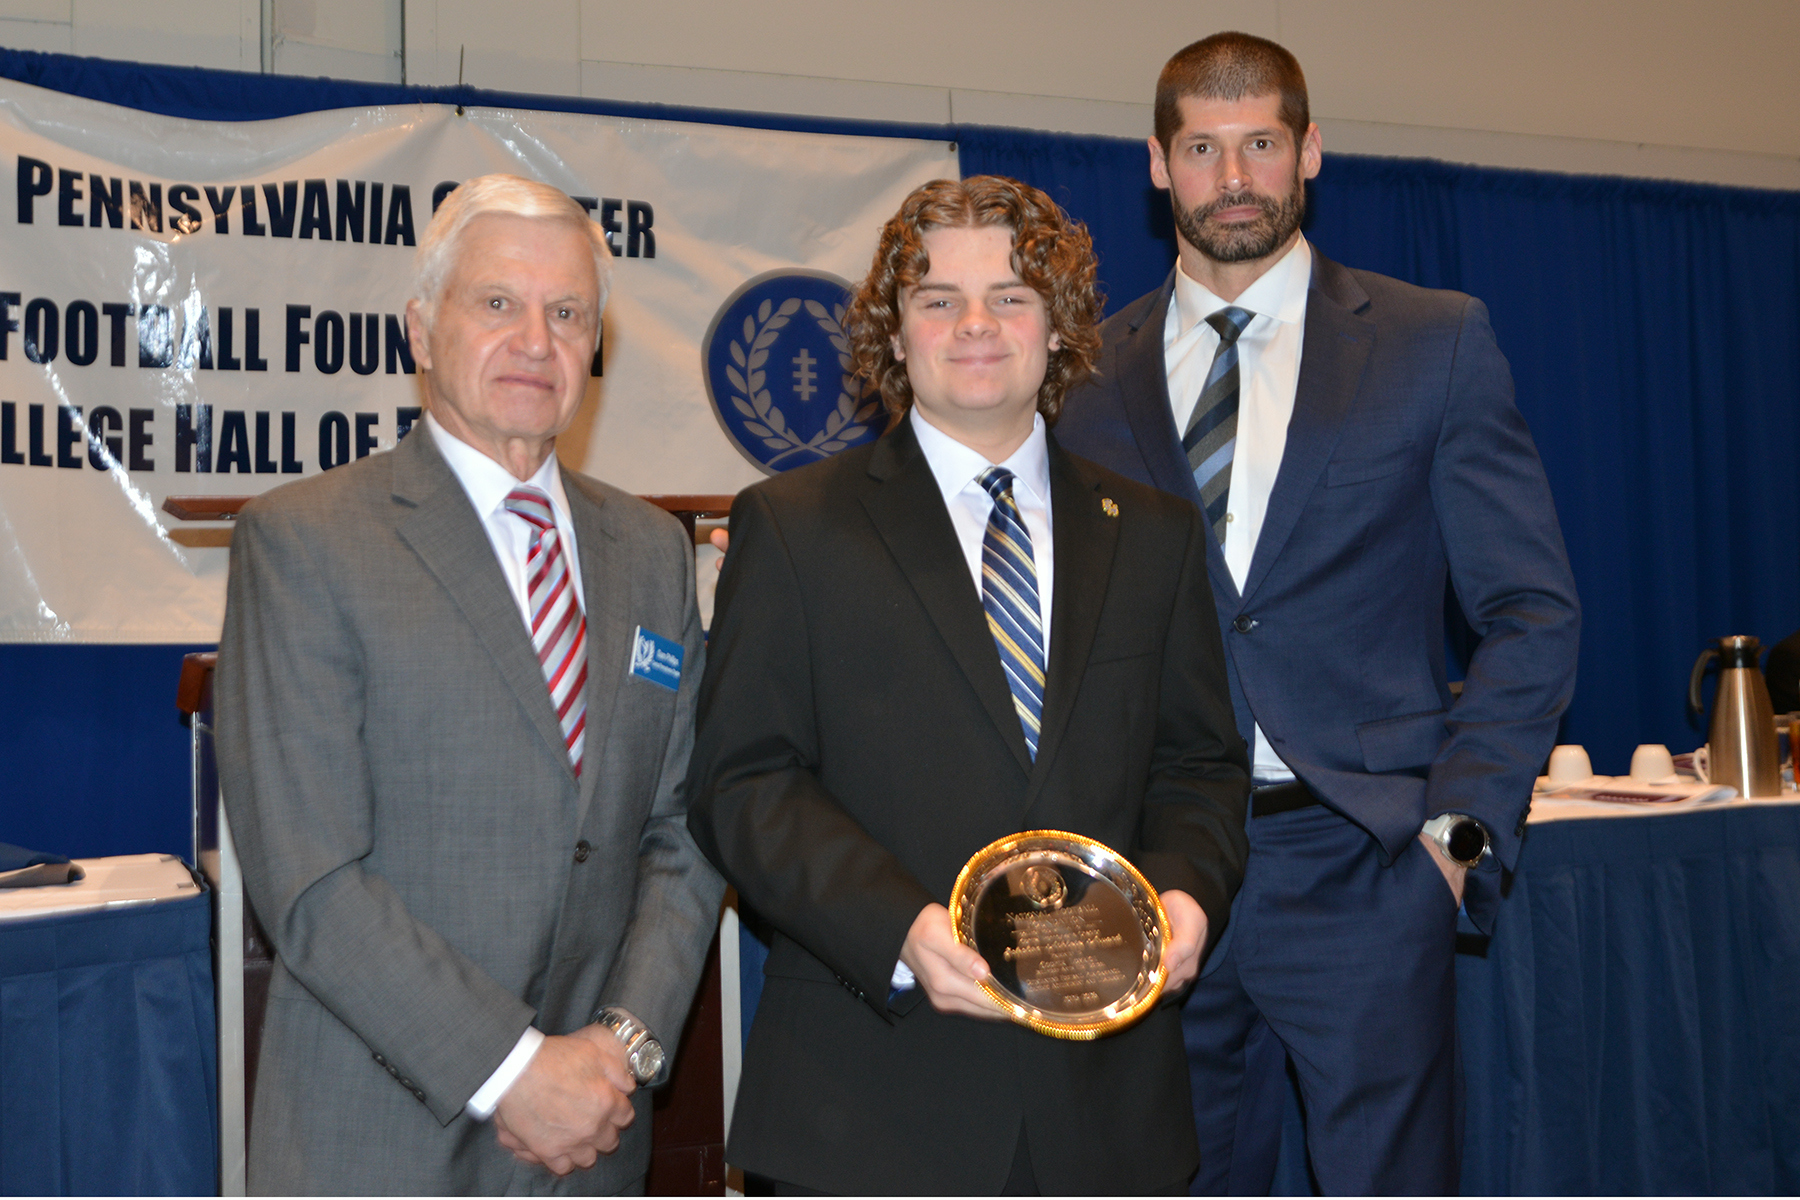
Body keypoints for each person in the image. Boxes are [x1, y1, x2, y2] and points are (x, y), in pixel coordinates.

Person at [1055, 32, 1582, 1195]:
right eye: (1204, 148)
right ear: (1158, 164)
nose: (1234, 176)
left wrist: (1457, 838)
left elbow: (1532, 609)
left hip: (1369, 867)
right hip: (1155, 872)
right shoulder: (1083, 374)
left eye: (1261, 144)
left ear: (1311, 152)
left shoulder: (1433, 341)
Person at [686, 175, 1251, 1195]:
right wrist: (901, 931)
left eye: (1011, 296)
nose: (976, 324)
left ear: (1058, 328)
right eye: (938, 299)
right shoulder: (794, 527)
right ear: (894, 336)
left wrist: (1183, 896)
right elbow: (743, 784)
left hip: (1107, 1116)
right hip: (870, 1098)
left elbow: (1200, 766)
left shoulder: (1154, 536)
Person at [216, 173, 724, 1195]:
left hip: (594, 1142)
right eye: (498, 302)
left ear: (595, 345)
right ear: (420, 329)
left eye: (566, 313)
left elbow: (684, 827)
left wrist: (619, 1047)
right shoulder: (305, 541)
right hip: (379, 1147)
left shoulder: (651, 553)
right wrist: (515, 1070)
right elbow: (311, 881)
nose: (535, 340)